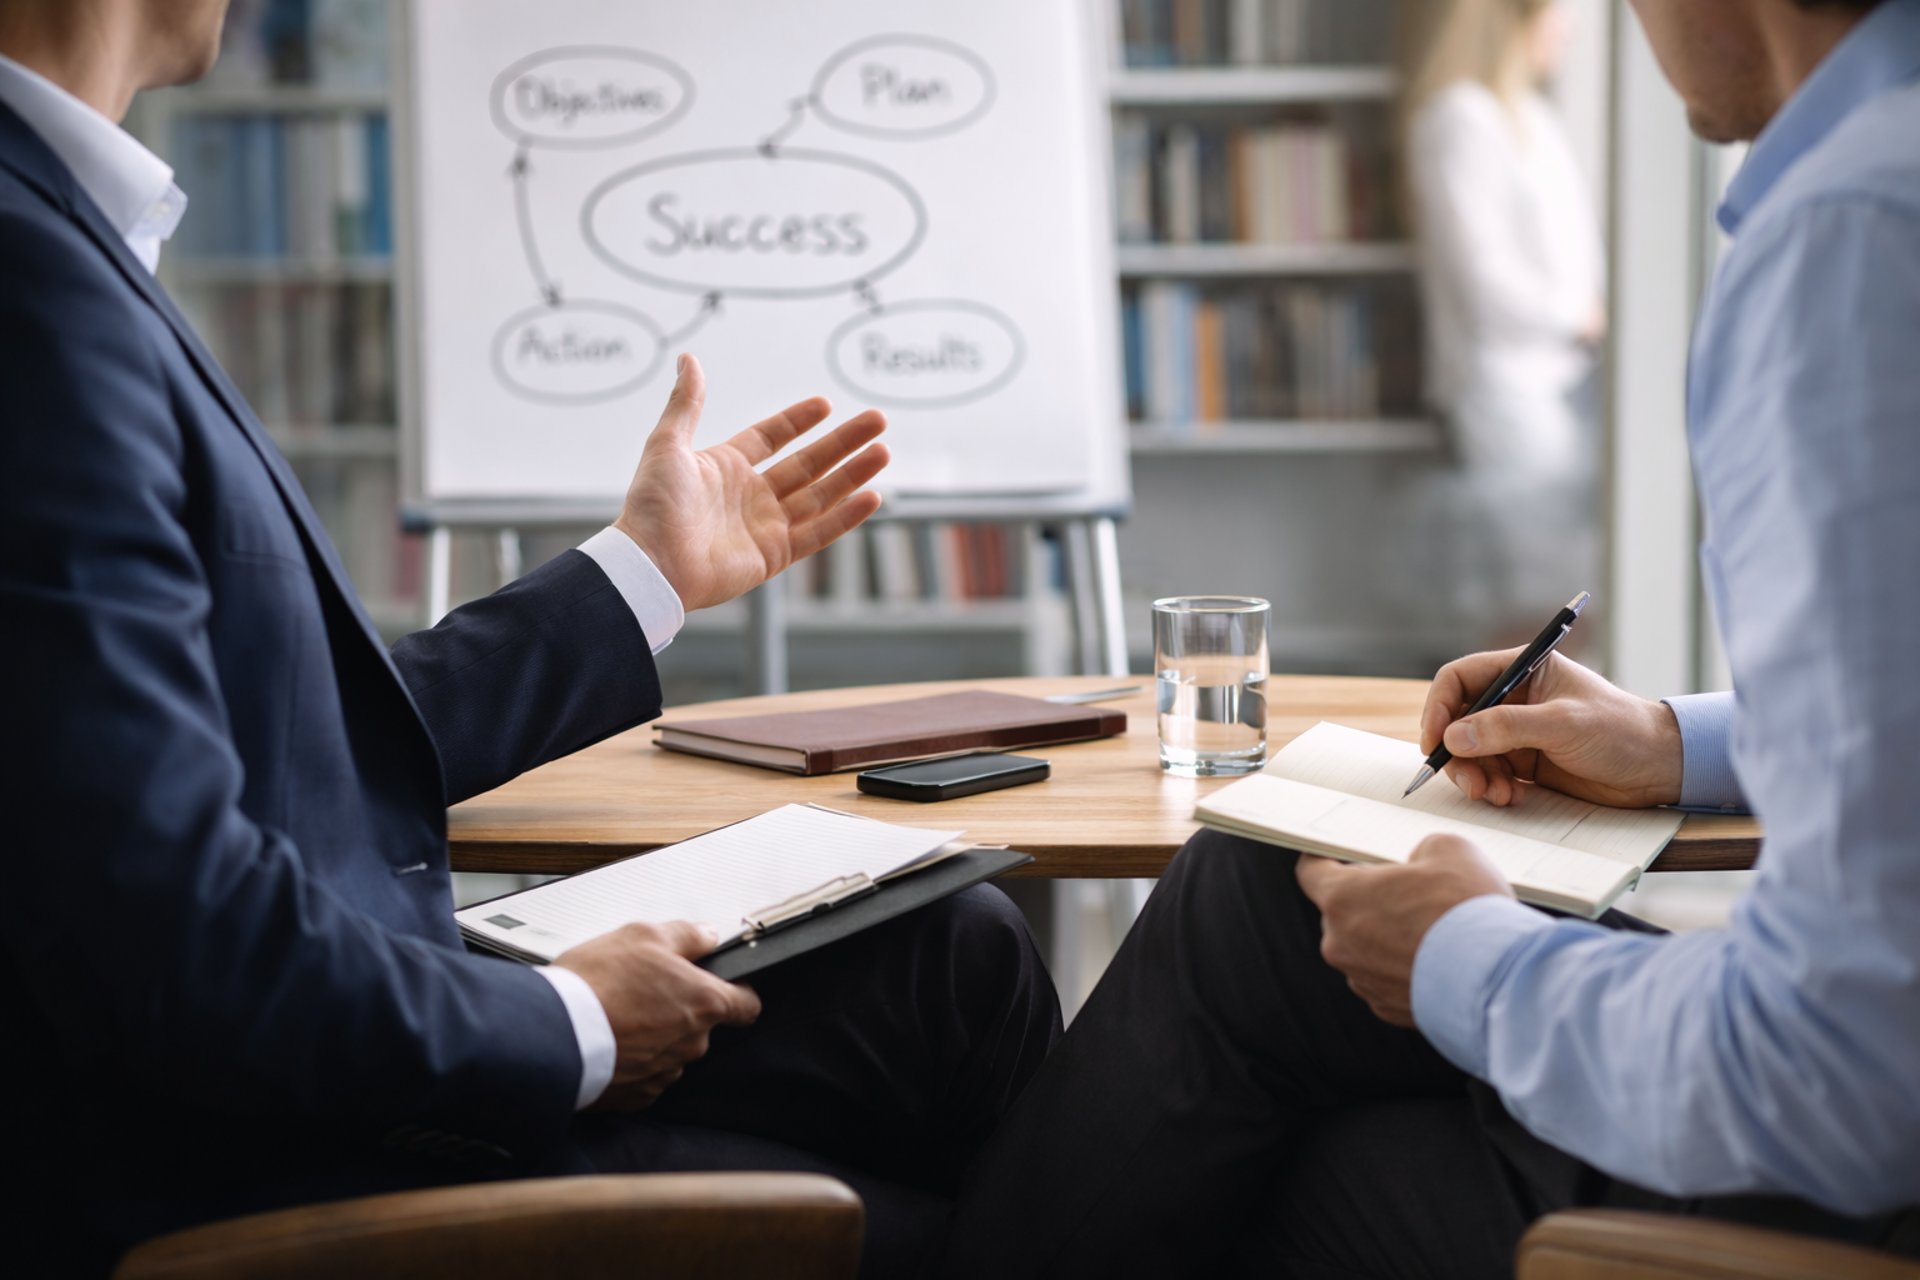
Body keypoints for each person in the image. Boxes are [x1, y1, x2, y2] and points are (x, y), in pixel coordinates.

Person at [0, 1, 1060, 1274]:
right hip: (263, 1147)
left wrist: (643, 574)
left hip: (319, 1026)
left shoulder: (67, 237)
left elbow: (291, 735)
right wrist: (571, 1023)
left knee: (955, 954)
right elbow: (159, 930)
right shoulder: (31, 290)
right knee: (963, 1219)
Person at [945, 0, 1920, 1274]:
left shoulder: (1854, 233)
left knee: (1265, 963)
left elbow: (1843, 1064)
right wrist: (1670, 742)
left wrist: (1470, 961)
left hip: (1861, 1174)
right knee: (1275, 988)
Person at [1395, 0, 1605, 639]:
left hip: (1566, 376)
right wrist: (1576, 317)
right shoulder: (1460, 119)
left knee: (1566, 583)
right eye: (1558, 10)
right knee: (1535, 591)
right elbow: (1484, 280)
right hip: (1506, 385)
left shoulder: (1529, 116)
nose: (1569, 25)